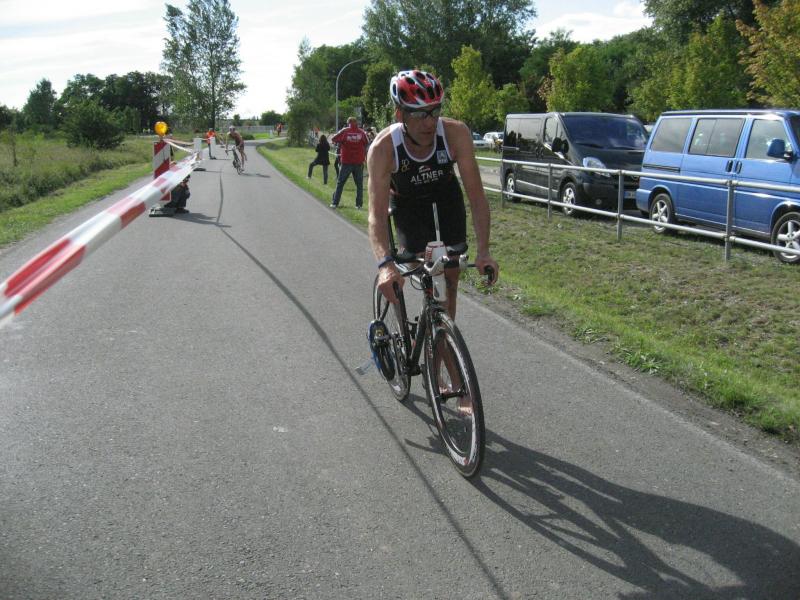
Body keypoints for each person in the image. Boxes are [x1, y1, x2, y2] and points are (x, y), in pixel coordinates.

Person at [367, 69, 499, 319]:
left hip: (446, 198)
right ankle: (407, 329)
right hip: (407, 205)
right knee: (420, 269)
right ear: (400, 114)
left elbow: (477, 198)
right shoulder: (383, 148)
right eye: (419, 114)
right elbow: (376, 215)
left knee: (451, 274)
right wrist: (385, 265)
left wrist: (484, 251)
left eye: (435, 111)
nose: (429, 122)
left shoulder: (455, 133)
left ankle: (442, 334)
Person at [330, 116, 369, 209]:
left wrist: (341, 143)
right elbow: (367, 142)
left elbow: (334, 139)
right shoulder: (361, 132)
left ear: (349, 123)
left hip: (346, 161)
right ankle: (359, 205)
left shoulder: (345, 131)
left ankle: (335, 203)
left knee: (340, 183)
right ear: (356, 123)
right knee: (359, 185)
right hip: (358, 162)